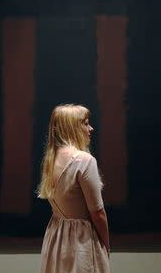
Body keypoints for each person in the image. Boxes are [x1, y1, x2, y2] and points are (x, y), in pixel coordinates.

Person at [37, 104, 110, 273]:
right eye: (85, 123)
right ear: (72, 127)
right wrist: (106, 245)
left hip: (57, 240)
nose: (90, 128)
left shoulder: (51, 160)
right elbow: (98, 213)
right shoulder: (84, 160)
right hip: (81, 242)